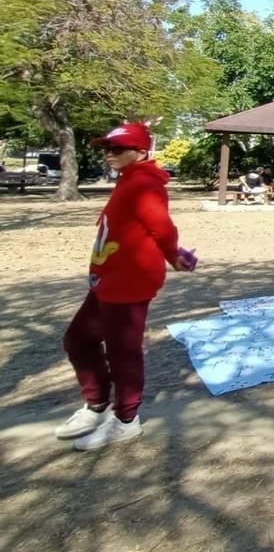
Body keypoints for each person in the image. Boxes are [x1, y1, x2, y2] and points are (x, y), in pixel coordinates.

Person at [55, 122, 196, 451]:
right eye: (107, 149)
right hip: (109, 278)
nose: (109, 155)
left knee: (123, 350)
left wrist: (173, 256)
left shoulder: (144, 182)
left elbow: (162, 228)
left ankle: (126, 420)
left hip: (129, 281)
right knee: (78, 339)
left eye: (117, 149)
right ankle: (97, 403)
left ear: (140, 151)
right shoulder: (130, 179)